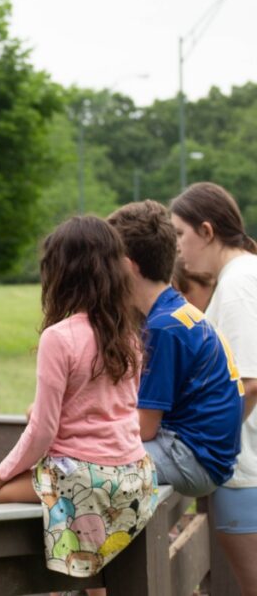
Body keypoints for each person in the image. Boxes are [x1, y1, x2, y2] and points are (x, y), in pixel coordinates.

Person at [0, 216, 157, 581]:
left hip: (84, 479)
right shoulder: (130, 336)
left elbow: (43, 430)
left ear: (60, 272)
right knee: (94, 564)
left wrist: (2, 472)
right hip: (136, 477)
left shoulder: (59, 337)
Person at [108, 200, 243, 498]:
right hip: (204, 455)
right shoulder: (175, 311)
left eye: (108, 263)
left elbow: (144, 429)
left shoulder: (163, 327)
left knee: (82, 464)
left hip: (192, 459)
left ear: (128, 267)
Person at [171, 182, 257, 594]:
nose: (178, 249)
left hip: (247, 471)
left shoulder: (238, 283)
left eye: (179, 235)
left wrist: (207, 445)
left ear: (206, 231)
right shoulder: (244, 275)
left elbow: (250, 382)